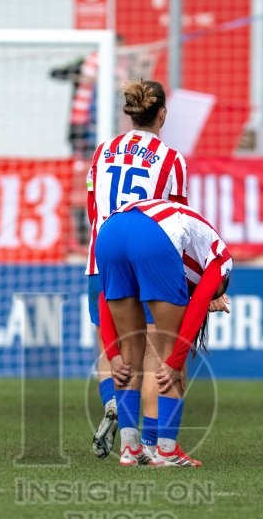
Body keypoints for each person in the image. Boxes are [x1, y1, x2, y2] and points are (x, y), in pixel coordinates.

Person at [86, 79, 189, 460]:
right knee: (156, 356)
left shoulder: (102, 152)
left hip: (103, 257)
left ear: (129, 113)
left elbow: (92, 208)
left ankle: (118, 417)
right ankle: (155, 443)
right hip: (149, 260)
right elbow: (177, 223)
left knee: (113, 349)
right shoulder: (171, 159)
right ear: (162, 113)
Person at [96, 199, 233, 467]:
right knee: (170, 353)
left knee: (128, 354)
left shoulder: (187, 252)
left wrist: (113, 354)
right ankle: (167, 452)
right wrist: (175, 361)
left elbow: (105, 295)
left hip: (110, 229)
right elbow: (198, 305)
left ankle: (129, 450)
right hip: (153, 235)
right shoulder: (222, 259)